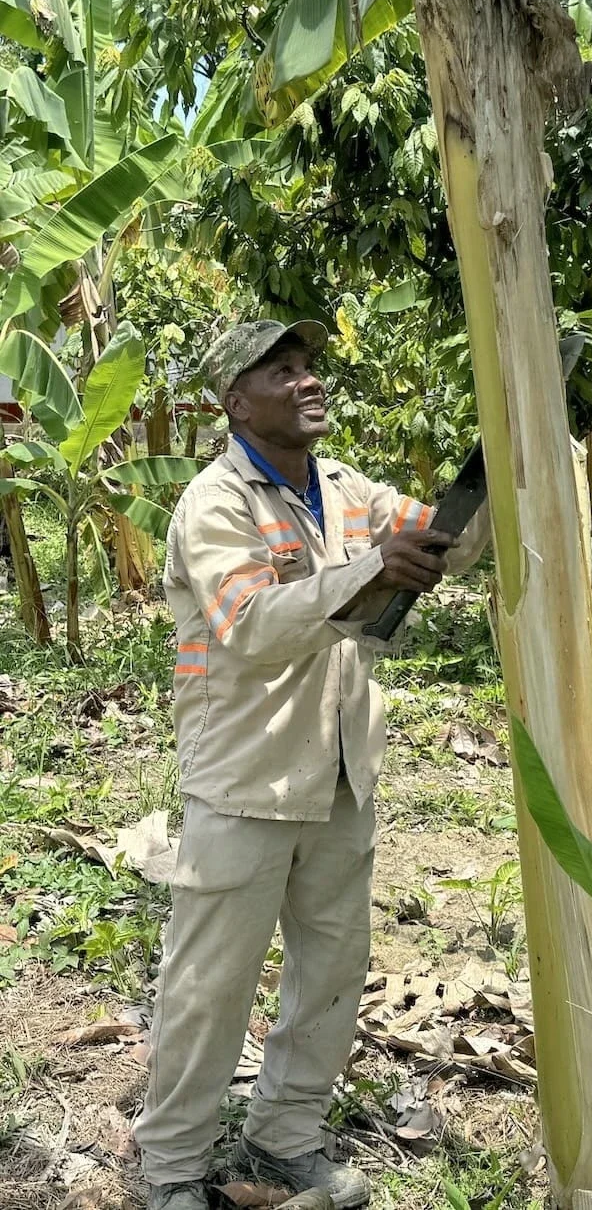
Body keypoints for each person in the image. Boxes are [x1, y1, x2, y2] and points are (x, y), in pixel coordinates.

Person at [134, 319, 489, 1209]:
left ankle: (285, 1134)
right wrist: (372, 568)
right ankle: (172, 1165)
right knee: (211, 984)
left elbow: (447, 541)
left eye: (309, 367)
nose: (306, 382)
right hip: (248, 779)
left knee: (331, 970)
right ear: (236, 400)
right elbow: (252, 623)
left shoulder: (345, 489)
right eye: (281, 371)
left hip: (339, 771)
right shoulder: (216, 503)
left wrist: (509, 456)